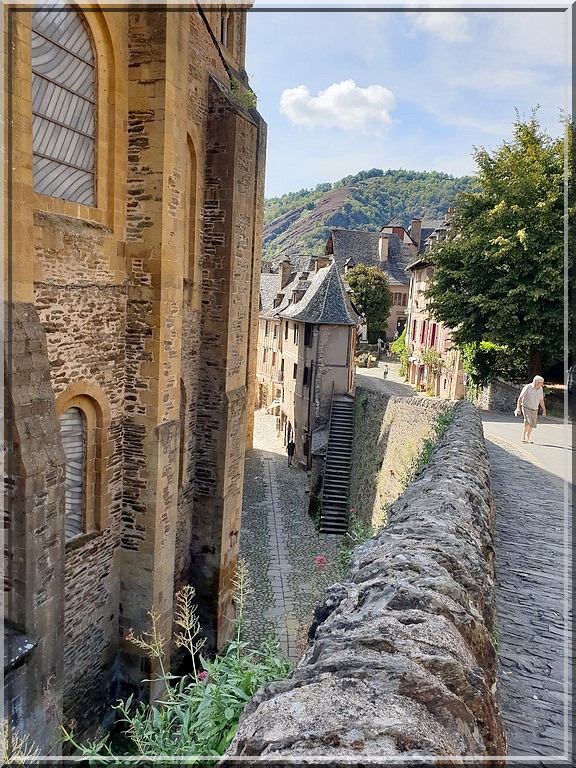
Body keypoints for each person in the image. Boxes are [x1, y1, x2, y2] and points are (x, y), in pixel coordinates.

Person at [514, 375, 546, 443]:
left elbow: (541, 400)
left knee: (532, 424)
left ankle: (528, 437)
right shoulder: (528, 387)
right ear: (536, 382)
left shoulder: (540, 389)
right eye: (541, 383)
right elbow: (520, 397)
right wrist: (518, 408)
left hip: (535, 408)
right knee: (528, 421)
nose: (542, 384)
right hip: (526, 407)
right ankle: (523, 436)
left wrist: (544, 409)